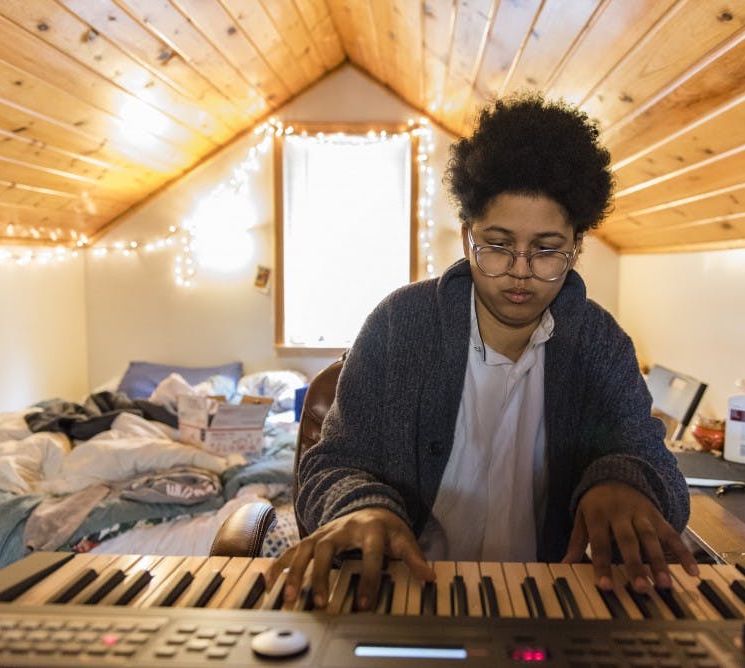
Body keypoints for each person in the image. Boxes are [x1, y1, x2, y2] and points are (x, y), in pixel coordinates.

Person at [271, 93, 697, 611]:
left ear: (576, 245)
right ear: (467, 233)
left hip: (545, 610)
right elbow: (327, 467)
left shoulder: (601, 344)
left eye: (546, 250)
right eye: (497, 244)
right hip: (403, 597)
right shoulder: (398, 325)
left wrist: (621, 482)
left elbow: (661, 476)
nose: (520, 270)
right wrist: (363, 508)